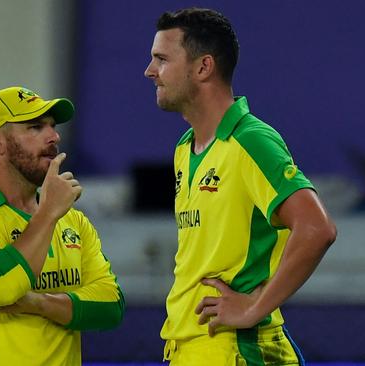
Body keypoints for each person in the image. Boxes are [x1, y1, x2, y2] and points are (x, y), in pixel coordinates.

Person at [144, 8, 337, 365]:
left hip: (235, 349)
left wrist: (253, 308)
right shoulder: (185, 149)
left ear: (203, 67)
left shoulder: (251, 140)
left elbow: (316, 228)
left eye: (161, 59)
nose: (150, 71)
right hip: (190, 347)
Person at [0, 86, 125, 366]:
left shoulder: (72, 220)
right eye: (35, 127)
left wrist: (38, 303)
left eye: (52, 126)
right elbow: (2, 285)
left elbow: (111, 306)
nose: (54, 136)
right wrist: (47, 213)